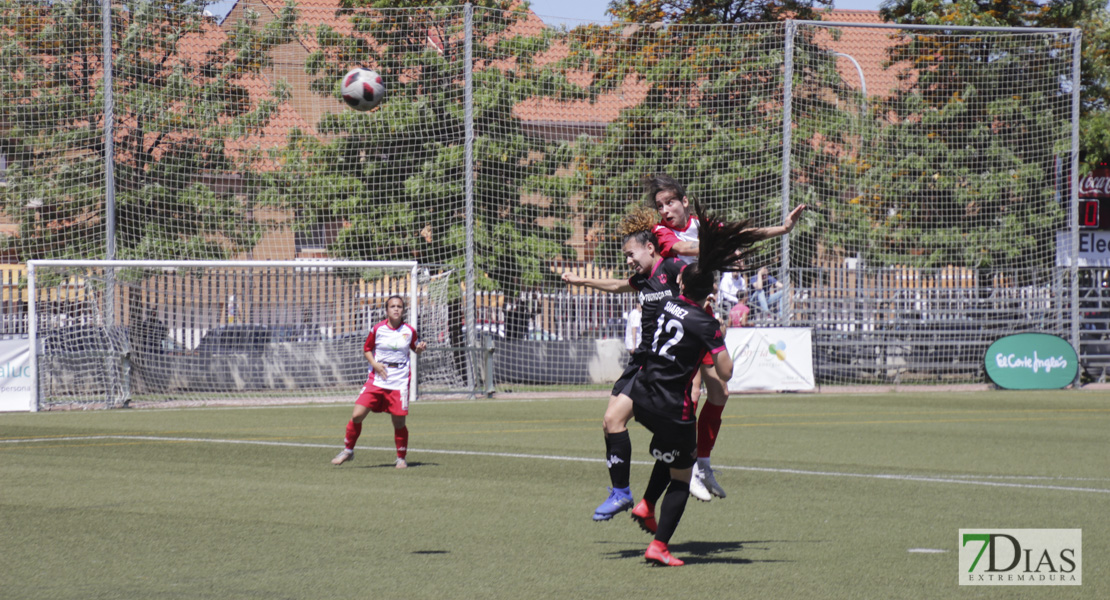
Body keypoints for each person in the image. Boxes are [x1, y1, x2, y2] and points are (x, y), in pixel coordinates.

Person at [643, 174, 806, 501]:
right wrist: (717, 246)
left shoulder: (701, 224)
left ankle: (702, 463)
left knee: (720, 392)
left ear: (684, 201)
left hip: (701, 317)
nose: (664, 210)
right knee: (693, 389)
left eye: (669, 202)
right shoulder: (662, 232)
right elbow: (683, 248)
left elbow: (742, 235)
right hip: (678, 318)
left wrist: (782, 229)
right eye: (660, 205)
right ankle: (684, 465)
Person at [622, 209, 756, 566]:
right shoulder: (705, 322)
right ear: (709, 291)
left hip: (645, 398)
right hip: (674, 408)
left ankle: (646, 503)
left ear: (680, 286)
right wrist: (719, 334)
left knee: (669, 454)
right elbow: (725, 373)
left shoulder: (664, 305)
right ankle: (660, 545)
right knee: (682, 476)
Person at [561, 206, 684, 522]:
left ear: (650, 247)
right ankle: (622, 493)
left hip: (664, 367)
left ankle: (662, 479)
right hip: (641, 361)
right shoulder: (643, 280)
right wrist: (582, 280)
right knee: (610, 422)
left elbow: (694, 284)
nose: (628, 260)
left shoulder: (672, 268)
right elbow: (617, 285)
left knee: (648, 431)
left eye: (631, 253)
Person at [332, 295, 427, 469]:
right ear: (387, 310)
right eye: (392, 306)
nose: (396, 309)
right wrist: (375, 364)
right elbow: (367, 349)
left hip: (399, 381)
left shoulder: (409, 331)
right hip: (377, 380)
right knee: (357, 415)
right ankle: (348, 450)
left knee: (399, 422)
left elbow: (415, 348)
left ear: (403, 310)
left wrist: (419, 349)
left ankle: (401, 458)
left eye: (399, 306)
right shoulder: (377, 329)